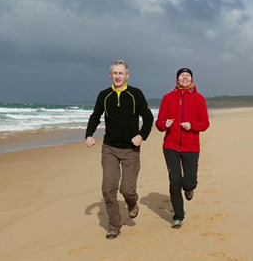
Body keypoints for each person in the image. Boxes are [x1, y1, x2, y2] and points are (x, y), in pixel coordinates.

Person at [85, 60, 154, 239]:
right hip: (109, 149)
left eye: (121, 73)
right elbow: (95, 116)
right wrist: (89, 134)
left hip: (131, 150)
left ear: (127, 75)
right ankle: (114, 225)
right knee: (108, 189)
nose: (117, 76)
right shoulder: (104, 95)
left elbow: (148, 118)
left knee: (127, 189)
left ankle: (132, 203)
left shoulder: (135, 94)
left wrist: (141, 136)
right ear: (110, 75)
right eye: (115, 73)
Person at [155, 67, 210, 229]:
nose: (184, 78)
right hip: (170, 146)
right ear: (177, 80)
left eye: (187, 75)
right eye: (181, 76)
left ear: (191, 80)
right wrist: (164, 124)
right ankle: (178, 216)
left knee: (189, 182)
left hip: (191, 147)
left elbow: (205, 123)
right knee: (174, 182)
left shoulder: (199, 98)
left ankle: (189, 189)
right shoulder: (168, 98)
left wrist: (192, 126)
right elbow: (158, 123)